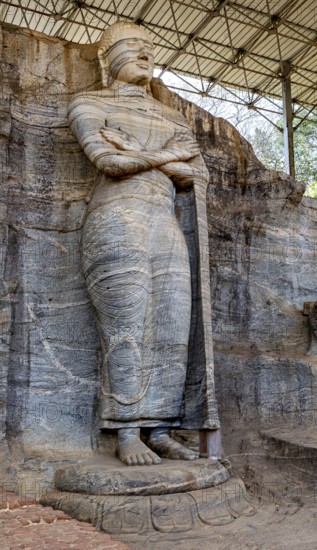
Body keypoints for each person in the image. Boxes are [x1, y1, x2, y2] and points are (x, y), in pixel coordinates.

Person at [68, 21, 219, 466]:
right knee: (127, 322)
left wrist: (142, 154)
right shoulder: (90, 102)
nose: (145, 53)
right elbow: (107, 160)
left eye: (150, 48)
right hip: (116, 217)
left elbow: (199, 176)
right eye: (133, 46)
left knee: (172, 324)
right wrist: (170, 157)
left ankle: (160, 428)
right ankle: (127, 430)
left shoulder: (172, 116)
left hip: (164, 219)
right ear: (106, 58)